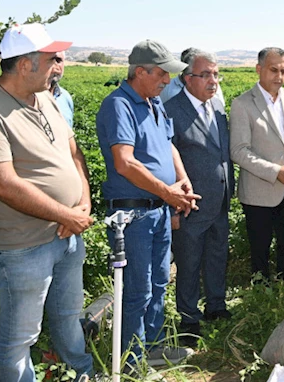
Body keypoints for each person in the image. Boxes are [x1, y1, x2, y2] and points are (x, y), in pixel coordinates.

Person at [0, 24, 94, 382]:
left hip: (67, 234)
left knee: (69, 316)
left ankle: (80, 372)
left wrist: (83, 203)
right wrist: (66, 214)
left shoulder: (46, 98)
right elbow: (2, 183)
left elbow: (73, 152)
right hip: (23, 246)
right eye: (51, 60)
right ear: (25, 64)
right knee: (20, 338)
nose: (58, 66)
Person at [96, 39, 200, 368]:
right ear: (140, 72)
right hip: (133, 213)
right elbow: (125, 162)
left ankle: (152, 348)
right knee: (137, 290)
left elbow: (169, 146)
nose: (167, 80)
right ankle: (131, 361)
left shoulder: (153, 103)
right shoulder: (119, 105)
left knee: (158, 283)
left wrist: (182, 180)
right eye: (161, 73)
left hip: (157, 210)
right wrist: (167, 192)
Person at [163, 49, 234, 346]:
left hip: (219, 198)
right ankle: (189, 317)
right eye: (205, 75)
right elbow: (166, 161)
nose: (212, 80)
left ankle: (216, 305)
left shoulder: (217, 107)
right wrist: (173, 207)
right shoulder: (171, 110)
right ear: (186, 78)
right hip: (190, 203)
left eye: (215, 74)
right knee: (189, 262)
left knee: (217, 255)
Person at [230, 47, 284, 279]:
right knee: (260, 251)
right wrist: (276, 171)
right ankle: (261, 293)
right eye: (274, 70)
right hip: (259, 192)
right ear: (259, 69)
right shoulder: (242, 103)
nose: (279, 76)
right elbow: (238, 151)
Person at [160, 47, 225, 104]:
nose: (213, 81)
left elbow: (220, 107)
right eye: (205, 75)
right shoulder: (167, 87)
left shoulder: (213, 87)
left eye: (216, 75)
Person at [49, 50, 74, 127]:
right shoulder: (28, 98)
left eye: (58, 60)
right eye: (49, 61)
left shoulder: (65, 97)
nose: (54, 67)